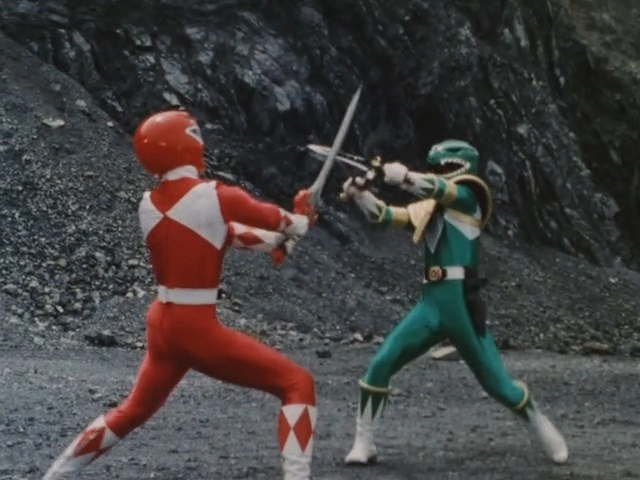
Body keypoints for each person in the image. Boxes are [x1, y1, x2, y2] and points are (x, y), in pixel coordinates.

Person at [42, 108, 317, 480]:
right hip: (195, 327)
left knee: (132, 411)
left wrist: (278, 242)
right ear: (186, 144)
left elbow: (225, 234)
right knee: (297, 383)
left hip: (163, 323)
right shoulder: (217, 195)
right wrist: (299, 220)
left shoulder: (149, 204)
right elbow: (274, 219)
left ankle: (55, 474)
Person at [340, 139, 569, 466]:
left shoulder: (470, 196)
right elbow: (386, 216)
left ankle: (536, 417)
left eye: (444, 166)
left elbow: (441, 189)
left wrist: (404, 177)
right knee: (381, 363)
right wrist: (361, 195)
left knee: (499, 386)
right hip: (431, 302)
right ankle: (364, 442)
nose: (439, 171)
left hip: (461, 302)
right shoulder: (432, 207)